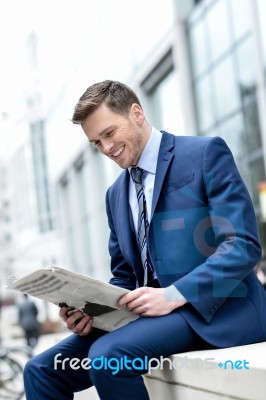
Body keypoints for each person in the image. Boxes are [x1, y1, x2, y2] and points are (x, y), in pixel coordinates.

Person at [23, 80, 266, 400]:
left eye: (109, 133)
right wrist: (93, 314)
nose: (106, 148)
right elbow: (124, 277)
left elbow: (242, 245)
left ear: (136, 113)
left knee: (109, 358)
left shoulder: (204, 153)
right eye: (96, 142)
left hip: (213, 311)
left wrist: (174, 294)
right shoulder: (115, 195)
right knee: (40, 371)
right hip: (150, 319)